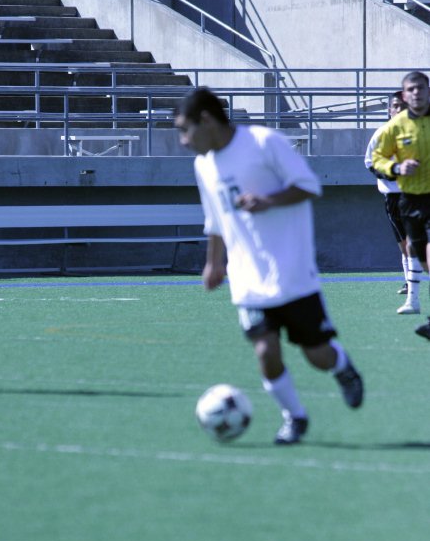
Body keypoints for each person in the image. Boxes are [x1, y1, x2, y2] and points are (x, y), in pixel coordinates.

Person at [175, 87, 364, 445]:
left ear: (206, 120)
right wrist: (213, 263)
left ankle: (343, 368)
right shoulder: (203, 165)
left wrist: (268, 200)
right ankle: (294, 417)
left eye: (185, 130)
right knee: (265, 351)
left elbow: (309, 187)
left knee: (318, 356)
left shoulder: (264, 142)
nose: (183, 141)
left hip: (292, 272)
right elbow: (215, 218)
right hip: (247, 279)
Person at [371, 71, 430, 340]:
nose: (416, 93)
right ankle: (413, 299)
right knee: (417, 251)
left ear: (428, 91)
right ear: (404, 95)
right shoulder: (393, 128)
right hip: (410, 198)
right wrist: (396, 167)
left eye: (421, 88)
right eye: (411, 89)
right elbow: (376, 160)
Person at [365, 91, 423, 314]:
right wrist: (393, 173)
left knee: (414, 244)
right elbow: (370, 162)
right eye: (395, 106)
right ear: (389, 110)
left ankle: (413, 299)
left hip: (418, 195)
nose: (399, 110)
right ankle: (410, 284)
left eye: (403, 106)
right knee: (404, 246)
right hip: (392, 197)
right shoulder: (382, 134)